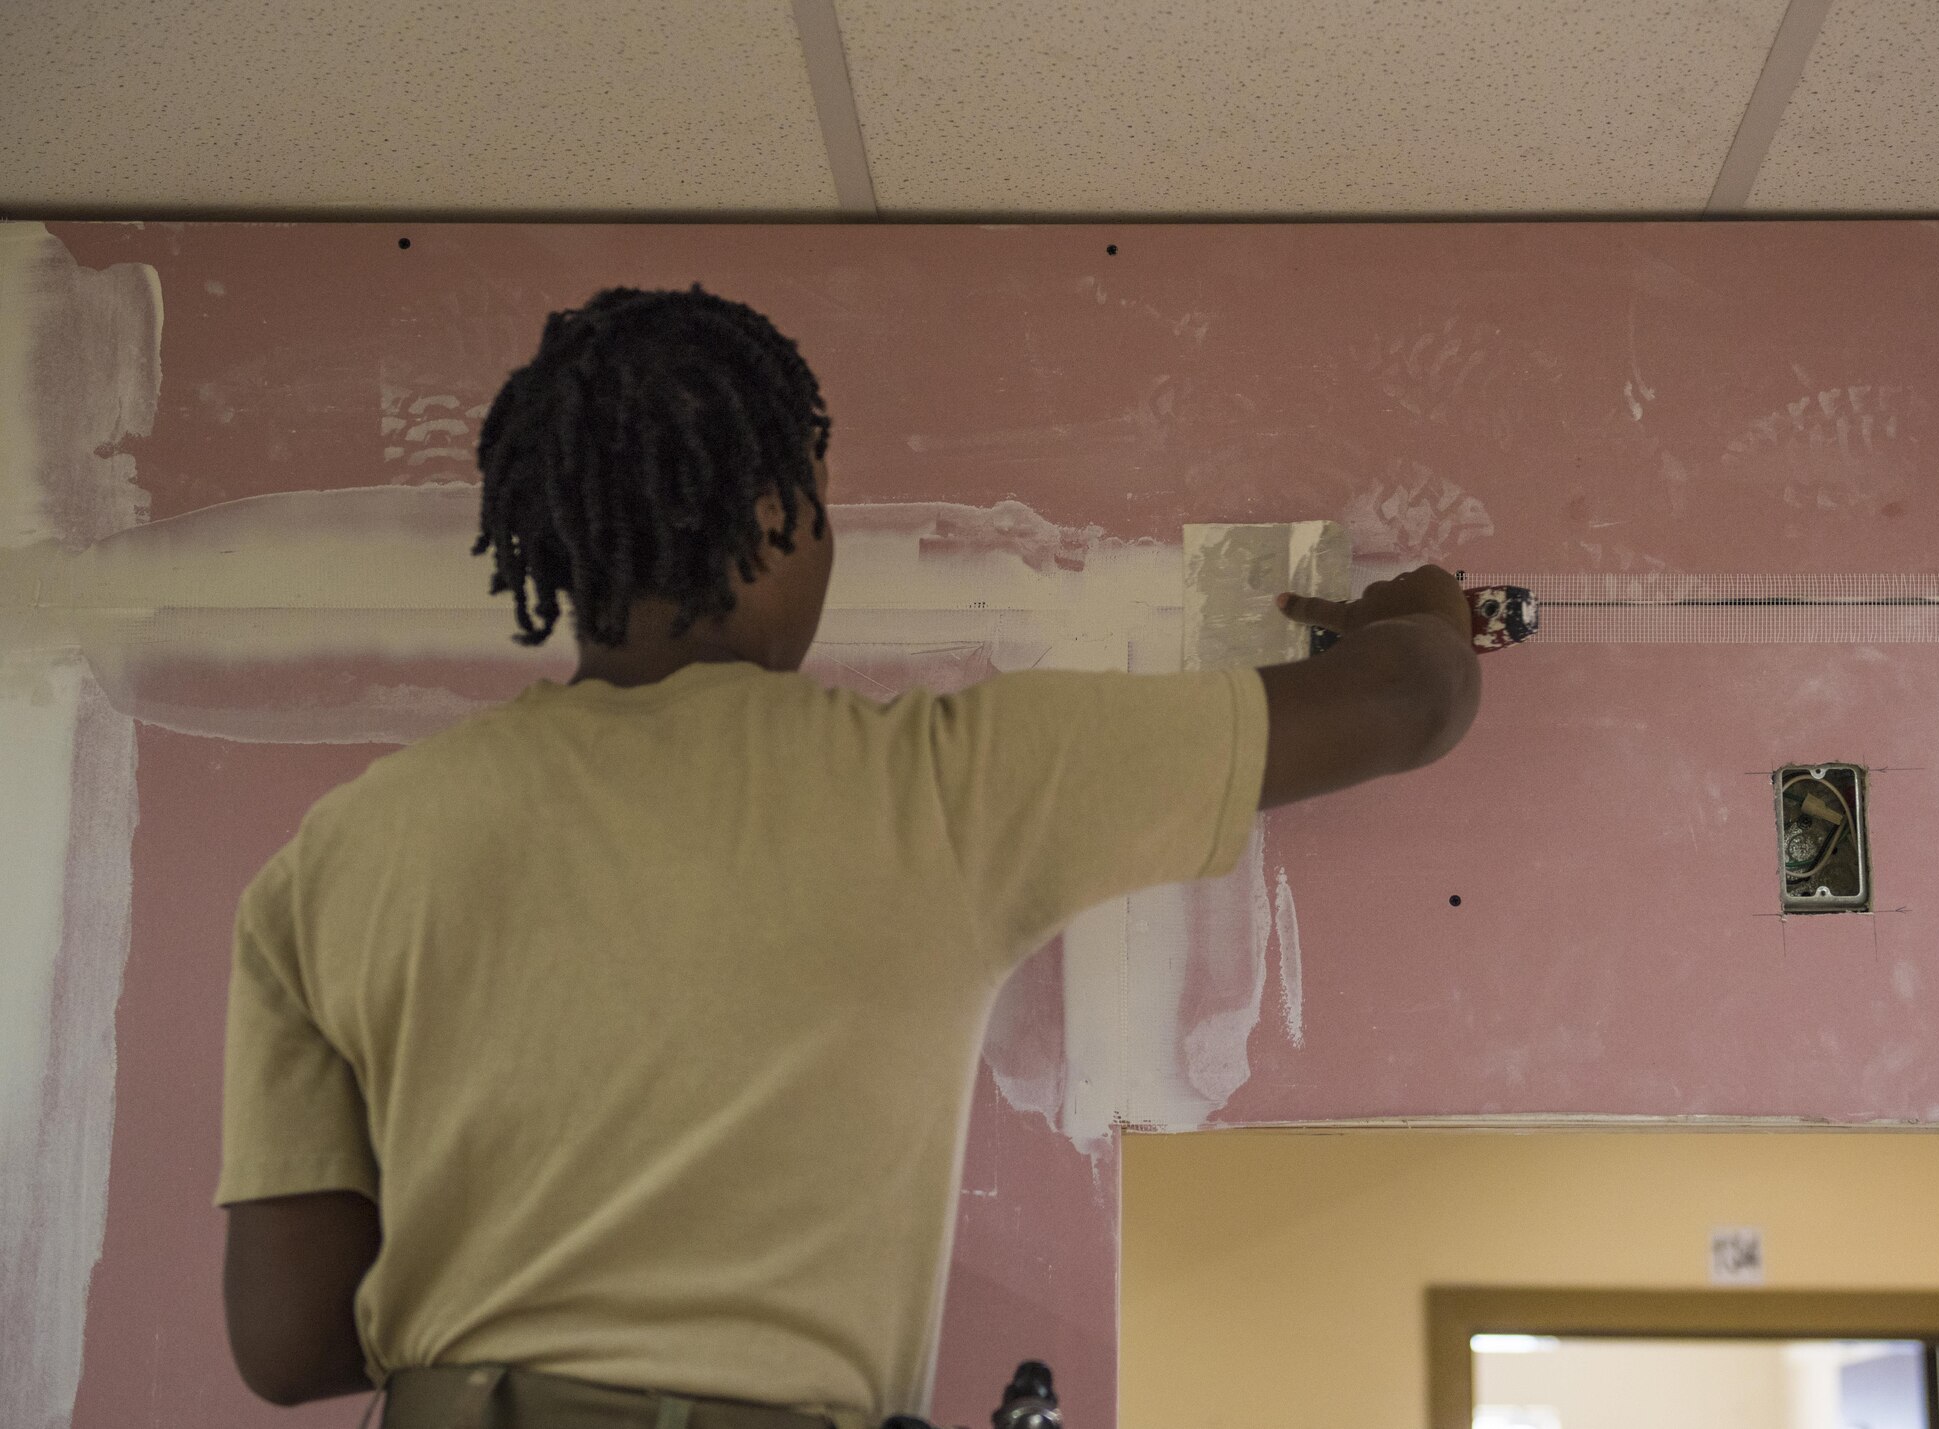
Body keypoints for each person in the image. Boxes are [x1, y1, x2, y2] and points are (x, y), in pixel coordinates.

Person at [215, 287, 1480, 1429]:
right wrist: (1412, 612)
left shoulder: (341, 854)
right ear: (778, 515)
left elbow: (285, 1343)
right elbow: (1407, 704)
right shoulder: (945, 784)